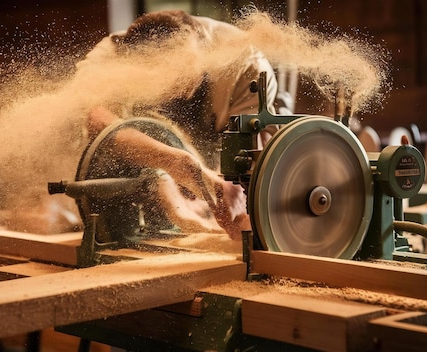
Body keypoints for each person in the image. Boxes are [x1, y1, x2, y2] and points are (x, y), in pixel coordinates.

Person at [75, 10, 280, 240]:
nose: (178, 84)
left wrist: (240, 202)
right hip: (155, 163)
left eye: (184, 71)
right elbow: (100, 124)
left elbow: (249, 152)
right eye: (166, 77)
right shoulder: (110, 57)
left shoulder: (243, 61)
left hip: (217, 138)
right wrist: (180, 166)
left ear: (201, 51)